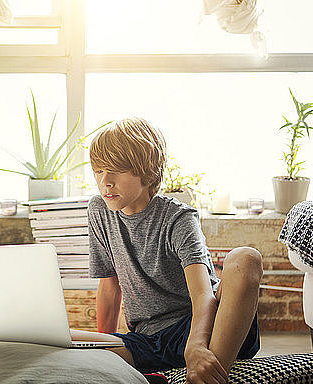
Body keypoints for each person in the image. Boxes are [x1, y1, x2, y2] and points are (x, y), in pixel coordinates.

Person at [70, 118, 262, 384]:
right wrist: (106, 353)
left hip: (204, 327)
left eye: (117, 170)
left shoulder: (178, 218)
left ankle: (206, 371)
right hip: (147, 340)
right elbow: (109, 288)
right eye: (99, 171)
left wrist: (196, 345)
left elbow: (203, 295)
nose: (106, 182)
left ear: (146, 172)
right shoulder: (99, 211)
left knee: (246, 258)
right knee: (58, 338)